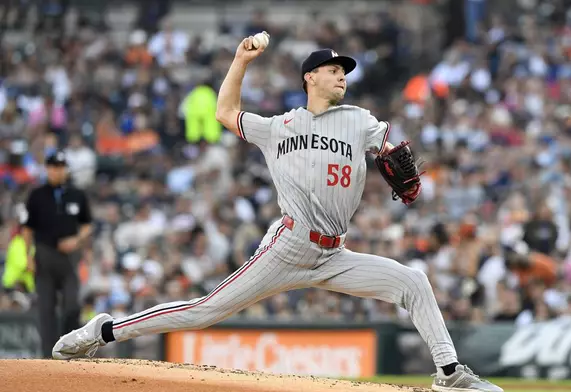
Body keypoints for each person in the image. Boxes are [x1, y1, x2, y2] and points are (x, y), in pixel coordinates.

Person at [52, 36, 502, 392]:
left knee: (413, 281)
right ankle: (103, 331)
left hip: (335, 255)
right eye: (332, 69)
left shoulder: (358, 119)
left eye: (344, 69)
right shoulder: (278, 127)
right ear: (310, 77)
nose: (341, 74)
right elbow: (225, 111)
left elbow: (388, 150)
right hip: (287, 246)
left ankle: (450, 374)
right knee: (202, 312)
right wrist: (240, 62)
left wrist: (392, 161)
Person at [21, 151, 93, 357]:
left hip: (69, 258)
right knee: (46, 310)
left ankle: (69, 350)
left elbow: (87, 225)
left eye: (60, 167)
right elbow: (27, 228)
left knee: (72, 305)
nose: (56, 170)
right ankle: (47, 357)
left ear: (65, 169)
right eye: (53, 167)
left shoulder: (77, 195)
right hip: (44, 255)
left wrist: (77, 240)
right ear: (47, 169)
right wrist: (28, 255)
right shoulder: (37, 195)